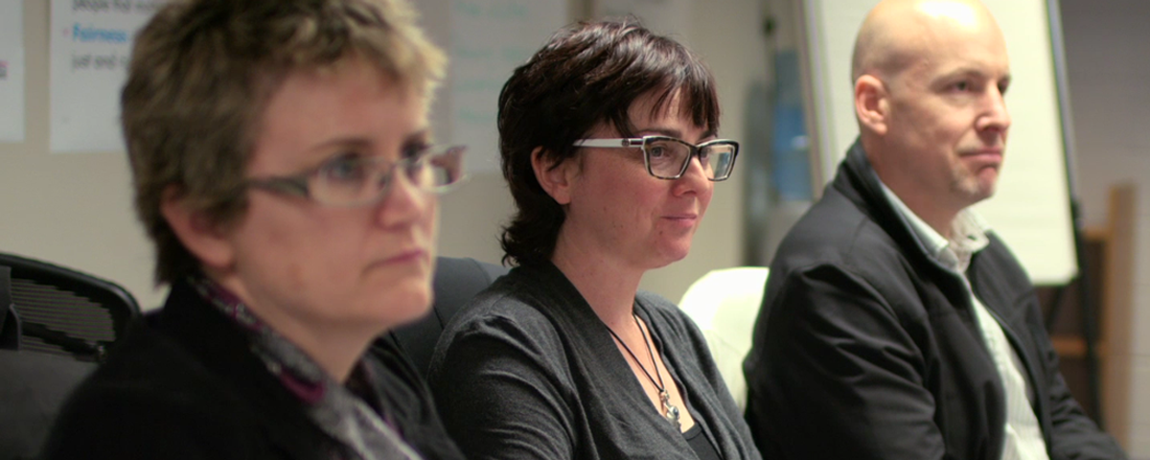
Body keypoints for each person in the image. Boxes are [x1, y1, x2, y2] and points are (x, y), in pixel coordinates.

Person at [42, 0, 467, 459]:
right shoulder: (141, 431)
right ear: (206, 221)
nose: (409, 204)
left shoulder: (376, 375)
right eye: (345, 168)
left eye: (414, 156)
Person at [742, 1, 1127, 459]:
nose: (999, 116)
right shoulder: (834, 281)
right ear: (873, 105)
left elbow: (1058, 417)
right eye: (962, 86)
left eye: (1000, 87)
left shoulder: (985, 251)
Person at [427, 18, 760, 460]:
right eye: (659, 150)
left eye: (703, 151)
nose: (697, 181)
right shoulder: (502, 349)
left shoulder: (670, 327)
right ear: (556, 171)